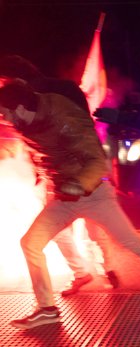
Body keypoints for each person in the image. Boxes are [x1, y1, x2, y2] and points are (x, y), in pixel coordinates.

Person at [0, 81, 140, 330]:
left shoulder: (62, 116)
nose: (5, 118)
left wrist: (79, 184)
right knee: (30, 244)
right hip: (63, 197)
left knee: (134, 244)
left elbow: (97, 162)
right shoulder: (28, 119)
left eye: (6, 112)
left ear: (20, 108)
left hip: (93, 194)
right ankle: (47, 309)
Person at [0, 54, 120, 293]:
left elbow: (38, 134)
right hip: (79, 164)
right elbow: (86, 124)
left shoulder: (29, 99)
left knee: (58, 228)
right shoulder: (66, 87)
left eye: (4, 82)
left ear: (16, 78)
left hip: (62, 169)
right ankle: (107, 268)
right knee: (94, 221)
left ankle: (82, 272)